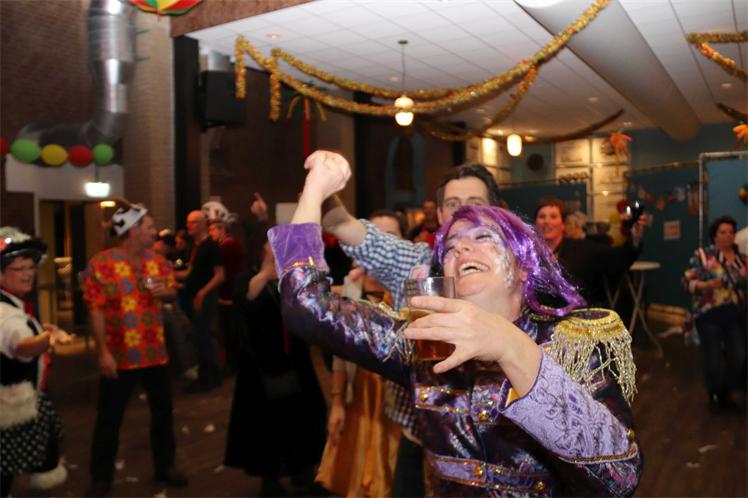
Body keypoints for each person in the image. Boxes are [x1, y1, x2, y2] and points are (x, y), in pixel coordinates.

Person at [269, 150, 642, 496]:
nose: (461, 247)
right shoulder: (423, 342)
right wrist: (314, 186)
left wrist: (511, 346)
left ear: (522, 265)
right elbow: (305, 305)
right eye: (450, 247)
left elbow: (619, 478)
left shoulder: (571, 343)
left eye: (483, 236)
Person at [319, 158, 504, 497]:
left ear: (495, 211)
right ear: (440, 215)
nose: (463, 211)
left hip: (496, 446)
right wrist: (323, 181)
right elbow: (342, 224)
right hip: (421, 436)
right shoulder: (419, 262)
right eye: (453, 204)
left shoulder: (516, 269)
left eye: (475, 203)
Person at [81, 204, 188, 497]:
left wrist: (166, 293)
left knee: (163, 413)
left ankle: (165, 466)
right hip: (119, 356)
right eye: (149, 227)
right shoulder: (101, 264)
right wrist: (102, 352)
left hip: (155, 353)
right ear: (133, 230)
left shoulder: (159, 262)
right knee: (109, 418)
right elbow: (95, 310)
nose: (155, 232)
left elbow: (172, 294)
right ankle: (101, 477)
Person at [224, 229, 327, 497]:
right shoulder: (249, 276)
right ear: (263, 248)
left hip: (295, 357)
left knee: (301, 416)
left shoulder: (289, 275)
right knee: (266, 422)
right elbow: (245, 298)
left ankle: (302, 472)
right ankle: (269, 479)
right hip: (262, 362)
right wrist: (266, 273)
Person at [315, 210, 404, 498]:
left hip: (402, 403)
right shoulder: (352, 289)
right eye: (375, 236)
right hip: (362, 398)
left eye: (391, 236)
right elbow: (341, 357)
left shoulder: (412, 289)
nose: (383, 243)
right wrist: (337, 402)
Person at [0, 227, 70, 497]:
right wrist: (48, 338)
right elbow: (21, 345)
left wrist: (41, 329)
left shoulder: (12, 304)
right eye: (19, 268)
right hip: (13, 409)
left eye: (30, 267)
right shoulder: (5, 313)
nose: (28, 273)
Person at [683, 215, 747, 413]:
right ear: (714, 235)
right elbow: (687, 282)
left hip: (733, 314)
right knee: (713, 357)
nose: (728, 235)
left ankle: (725, 392)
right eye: (723, 232)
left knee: (739, 355)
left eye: (731, 232)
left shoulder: (742, 259)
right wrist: (706, 285)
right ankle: (714, 395)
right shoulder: (703, 256)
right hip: (708, 314)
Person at [534, 197, 644, 307]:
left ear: (563, 224)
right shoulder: (528, 253)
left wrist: (635, 237)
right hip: (536, 316)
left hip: (577, 316)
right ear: (535, 223)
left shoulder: (582, 250)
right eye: (542, 216)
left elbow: (618, 257)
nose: (546, 221)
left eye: (553, 216)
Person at [181, 209, 224, 392]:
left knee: (202, 336)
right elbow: (189, 273)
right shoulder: (195, 246)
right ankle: (209, 375)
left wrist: (202, 293)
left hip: (206, 296)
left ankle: (209, 377)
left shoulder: (211, 246)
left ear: (202, 224)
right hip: (196, 295)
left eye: (193, 222)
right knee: (199, 337)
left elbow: (220, 275)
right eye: (188, 222)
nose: (189, 226)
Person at [205, 201, 244, 376]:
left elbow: (228, 272)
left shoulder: (228, 245)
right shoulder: (224, 245)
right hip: (226, 295)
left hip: (230, 296)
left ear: (222, 229)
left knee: (231, 333)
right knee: (227, 333)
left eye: (213, 229)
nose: (211, 233)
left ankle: (233, 365)